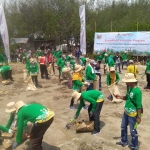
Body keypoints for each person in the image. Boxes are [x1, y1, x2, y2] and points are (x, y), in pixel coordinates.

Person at [114, 73, 143, 150]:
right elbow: (127, 97)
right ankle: (124, 141)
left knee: (133, 131)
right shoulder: (129, 88)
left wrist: (139, 117)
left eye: (127, 81)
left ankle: (134, 146)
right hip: (126, 112)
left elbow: (139, 105)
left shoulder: (137, 91)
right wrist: (120, 97)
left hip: (133, 114)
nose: (125, 83)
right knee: (123, 127)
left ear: (131, 81)